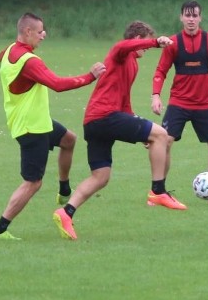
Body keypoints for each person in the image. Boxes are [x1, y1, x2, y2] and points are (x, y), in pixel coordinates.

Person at [53, 21, 185, 241]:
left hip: (95, 122)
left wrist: (138, 125)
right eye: (143, 41)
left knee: (101, 176)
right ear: (135, 38)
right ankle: (158, 191)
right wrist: (155, 42)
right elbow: (124, 46)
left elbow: (124, 101)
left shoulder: (133, 64)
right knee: (161, 134)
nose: (145, 48)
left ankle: (66, 213)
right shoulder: (121, 52)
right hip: (105, 117)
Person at [0, 13, 105, 240]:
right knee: (33, 183)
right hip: (32, 128)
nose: (44, 35)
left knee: (69, 140)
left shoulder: (8, 51)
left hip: (37, 121)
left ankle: (64, 191)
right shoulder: (30, 61)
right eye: (40, 31)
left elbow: (5, 61)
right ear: (28, 32)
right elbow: (57, 84)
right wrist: (90, 77)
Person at [152, 1, 208, 207]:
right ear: (181, 17)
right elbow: (160, 71)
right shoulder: (173, 43)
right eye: (187, 16)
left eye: (195, 15)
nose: (191, 19)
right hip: (178, 102)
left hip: (205, 104)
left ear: (200, 18)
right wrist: (156, 95)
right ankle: (158, 192)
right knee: (165, 142)